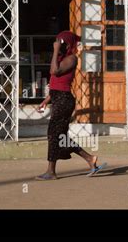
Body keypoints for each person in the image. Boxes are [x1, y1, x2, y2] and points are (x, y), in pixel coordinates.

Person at [36, 31, 106, 180]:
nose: (57, 45)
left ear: (66, 44)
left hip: (64, 101)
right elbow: (56, 83)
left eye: (59, 42)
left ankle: (51, 171)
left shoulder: (71, 58)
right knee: (60, 136)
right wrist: (45, 100)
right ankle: (90, 159)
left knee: (54, 135)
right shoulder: (60, 58)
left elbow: (54, 71)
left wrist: (55, 51)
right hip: (58, 98)